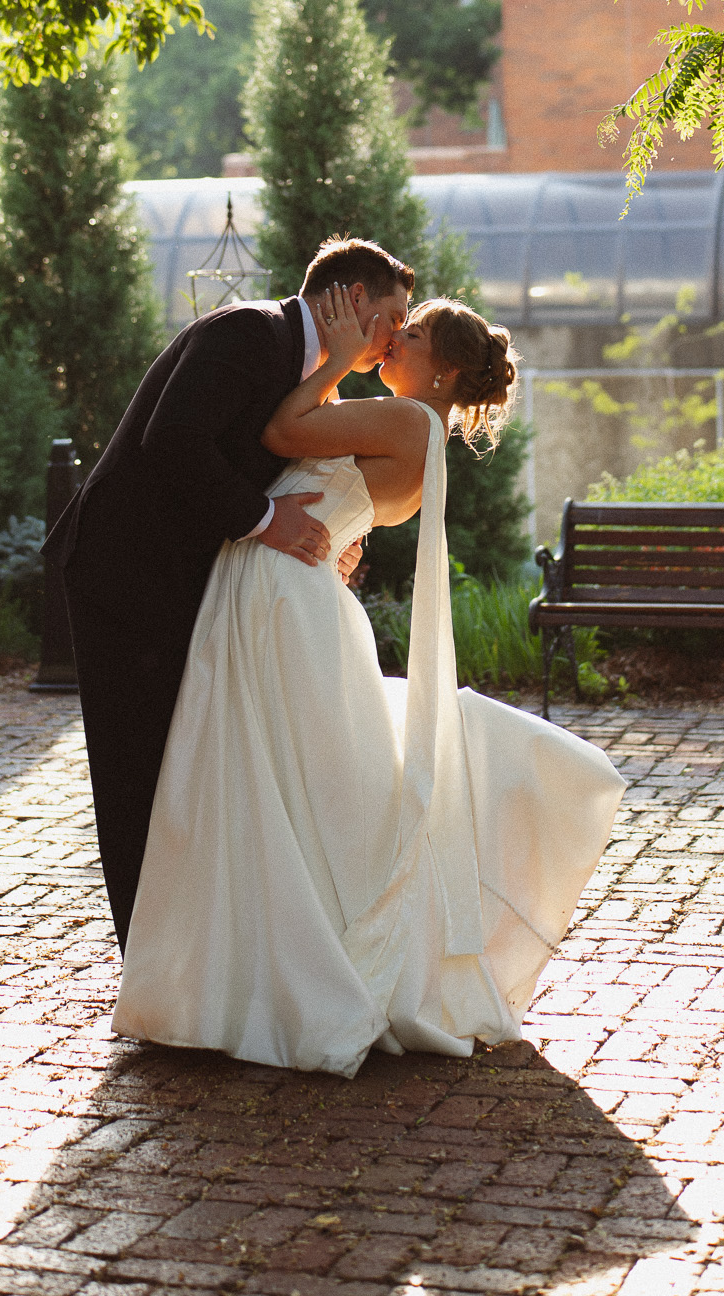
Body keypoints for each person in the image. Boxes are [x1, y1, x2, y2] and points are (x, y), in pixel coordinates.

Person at [113, 286, 625, 1076]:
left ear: (445, 375)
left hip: (280, 594)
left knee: (269, 773)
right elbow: (339, 503)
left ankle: (281, 974)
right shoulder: (410, 427)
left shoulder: (405, 419)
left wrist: (341, 360)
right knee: (282, 778)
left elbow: (283, 430)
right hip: (284, 585)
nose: (391, 339)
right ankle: (256, 965)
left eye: (410, 334)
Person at [46, 238, 415, 951]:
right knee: (138, 772)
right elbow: (173, 441)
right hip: (128, 574)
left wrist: (338, 536)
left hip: (190, 584)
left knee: (186, 766)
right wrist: (269, 522)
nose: (397, 334)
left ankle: (194, 952)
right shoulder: (249, 331)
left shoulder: (311, 372)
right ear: (352, 300)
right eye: (392, 315)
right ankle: (150, 962)